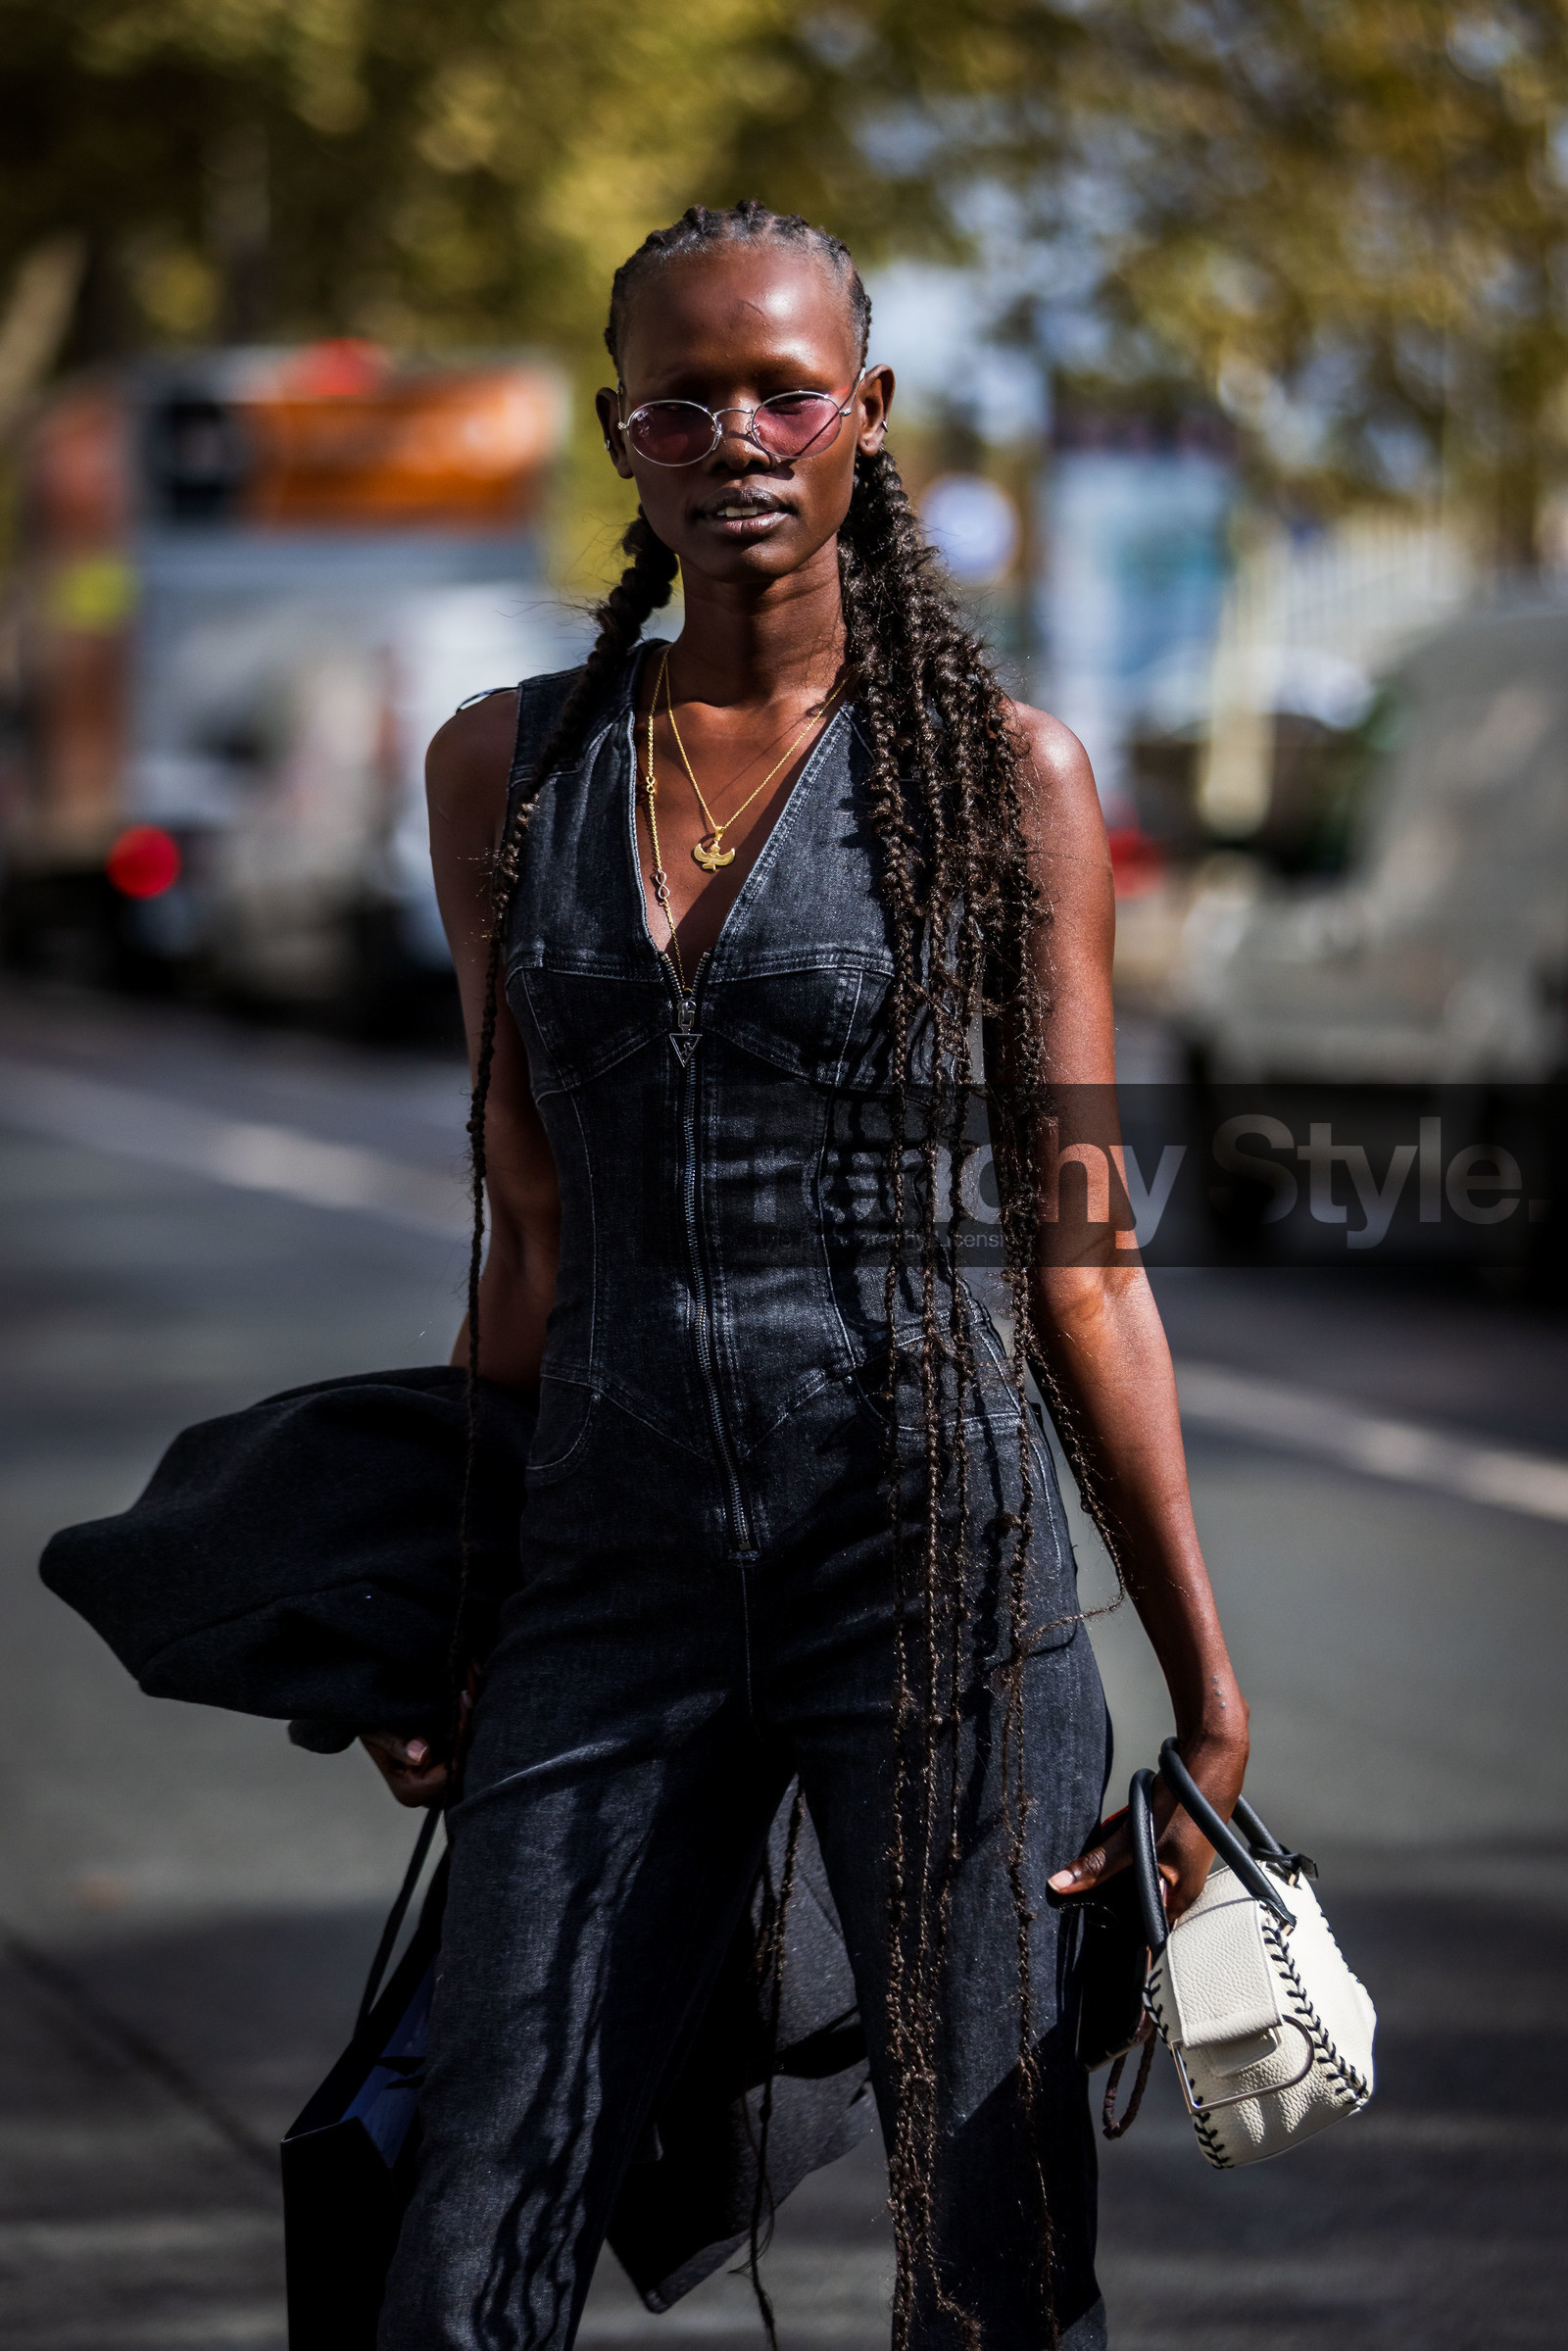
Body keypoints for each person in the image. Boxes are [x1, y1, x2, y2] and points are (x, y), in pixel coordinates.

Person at [362, 200, 1250, 2351]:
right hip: (610, 1572)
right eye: (681, 402)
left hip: (930, 1569)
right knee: (475, 2205)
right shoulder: (506, 769)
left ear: (866, 413)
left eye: (782, 392)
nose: (736, 439)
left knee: (991, 2246)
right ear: (620, 435)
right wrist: (445, 1600)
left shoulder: (1002, 780)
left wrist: (1204, 1698)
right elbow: (528, 1227)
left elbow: (1085, 1259)